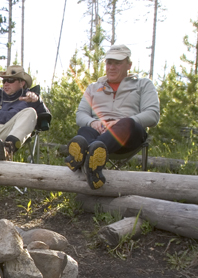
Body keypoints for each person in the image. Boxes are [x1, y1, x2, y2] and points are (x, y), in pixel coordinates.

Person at [65, 44, 160, 189]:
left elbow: (152, 115)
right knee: (84, 131)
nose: (112, 67)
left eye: (117, 63)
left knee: (127, 123)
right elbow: (80, 115)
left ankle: (84, 156)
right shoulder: (93, 88)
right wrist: (92, 122)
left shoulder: (143, 85)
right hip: (99, 130)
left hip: (128, 135)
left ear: (128, 65)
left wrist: (118, 123)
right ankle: (93, 163)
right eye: (109, 62)